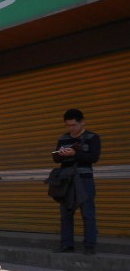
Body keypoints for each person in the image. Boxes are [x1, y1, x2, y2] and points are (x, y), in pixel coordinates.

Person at [52, 108, 101, 254]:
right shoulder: (63, 139)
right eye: (68, 125)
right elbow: (55, 158)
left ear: (82, 122)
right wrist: (61, 154)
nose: (71, 128)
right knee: (66, 214)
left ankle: (90, 246)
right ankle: (67, 245)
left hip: (84, 180)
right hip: (67, 181)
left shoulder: (92, 137)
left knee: (88, 214)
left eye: (74, 125)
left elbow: (94, 157)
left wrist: (76, 153)